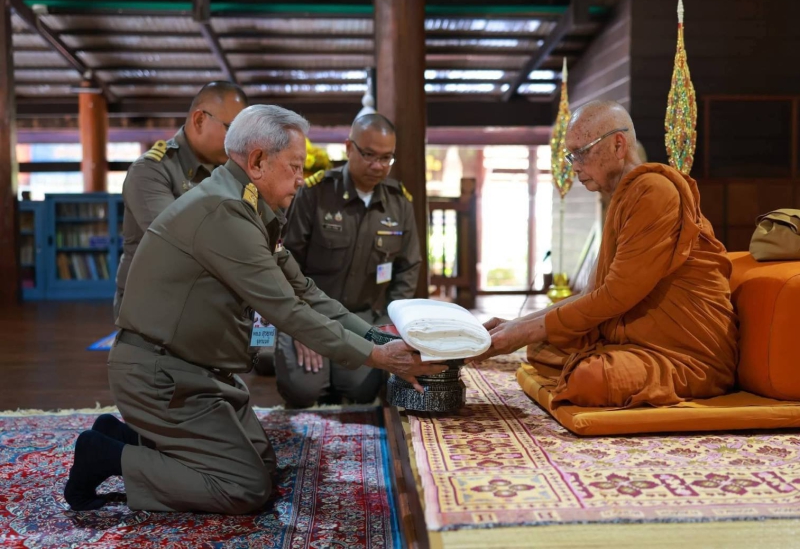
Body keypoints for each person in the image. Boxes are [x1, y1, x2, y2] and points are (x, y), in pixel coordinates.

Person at [63, 105, 445, 514]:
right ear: (259, 161)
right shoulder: (225, 212)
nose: (301, 178)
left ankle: (121, 437)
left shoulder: (248, 208)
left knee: (263, 464)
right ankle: (106, 458)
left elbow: (306, 291)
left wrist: (376, 336)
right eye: (294, 166)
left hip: (199, 372)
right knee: (244, 488)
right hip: (161, 375)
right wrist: (378, 357)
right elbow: (288, 312)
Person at [474, 100, 738, 408]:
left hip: (687, 355)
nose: (574, 166)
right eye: (570, 155)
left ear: (618, 144)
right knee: (541, 345)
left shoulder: (654, 191)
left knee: (590, 379)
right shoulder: (625, 197)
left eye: (581, 152)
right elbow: (593, 293)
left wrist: (520, 332)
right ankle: (603, 358)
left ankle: (607, 365)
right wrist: (516, 326)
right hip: (637, 342)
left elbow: (615, 296)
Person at [271, 113, 421, 407]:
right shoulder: (315, 193)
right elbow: (285, 263)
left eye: (386, 158)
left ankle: (340, 376)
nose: (378, 166)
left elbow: (408, 268)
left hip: (363, 319)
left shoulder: (399, 202)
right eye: (369, 155)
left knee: (361, 389)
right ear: (349, 148)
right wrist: (299, 326)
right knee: (303, 388)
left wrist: (386, 327)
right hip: (311, 314)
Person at [113, 81, 248, 319]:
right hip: (155, 310)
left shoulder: (233, 173)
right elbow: (180, 242)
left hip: (212, 307)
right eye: (232, 130)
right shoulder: (153, 170)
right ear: (199, 120)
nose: (240, 143)